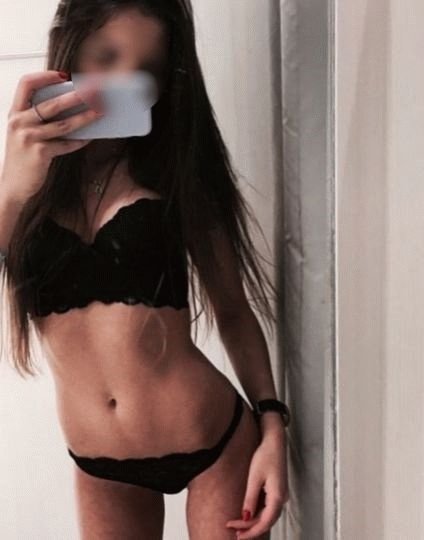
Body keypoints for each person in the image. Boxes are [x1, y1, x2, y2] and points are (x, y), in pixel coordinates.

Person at [0, 1, 290, 539]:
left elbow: (232, 310)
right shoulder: (24, 182)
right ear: (68, 49)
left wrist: (273, 428)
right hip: (100, 466)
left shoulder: (177, 173)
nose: (124, 84)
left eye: (146, 71)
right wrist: (12, 190)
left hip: (215, 444)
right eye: (107, 56)